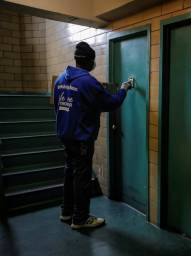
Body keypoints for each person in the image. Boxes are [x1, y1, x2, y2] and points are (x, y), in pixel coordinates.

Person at [54, 41, 133, 229]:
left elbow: (58, 106)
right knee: (81, 177)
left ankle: (67, 212)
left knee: (69, 173)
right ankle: (80, 219)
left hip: (65, 135)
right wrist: (123, 89)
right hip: (81, 138)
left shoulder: (60, 79)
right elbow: (111, 103)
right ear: (89, 61)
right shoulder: (89, 82)